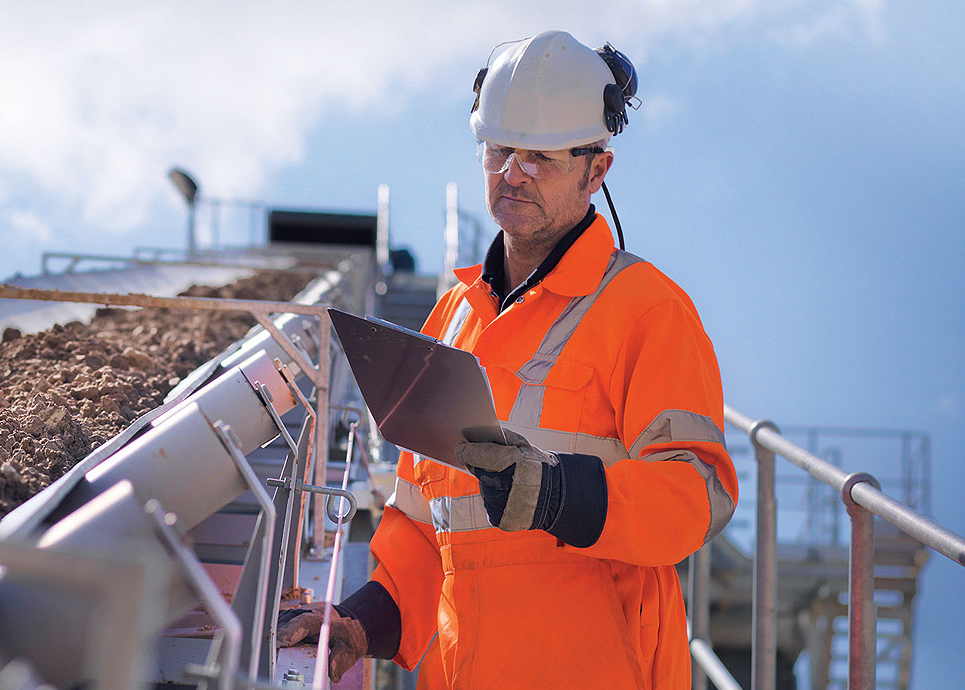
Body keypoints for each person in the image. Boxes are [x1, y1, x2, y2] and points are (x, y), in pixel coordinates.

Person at [277, 30, 737, 689]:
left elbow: (696, 496)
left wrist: (557, 492)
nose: (511, 174)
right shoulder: (452, 319)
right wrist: (360, 623)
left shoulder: (645, 309)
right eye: (499, 151)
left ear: (596, 169)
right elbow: (424, 523)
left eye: (540, 158)